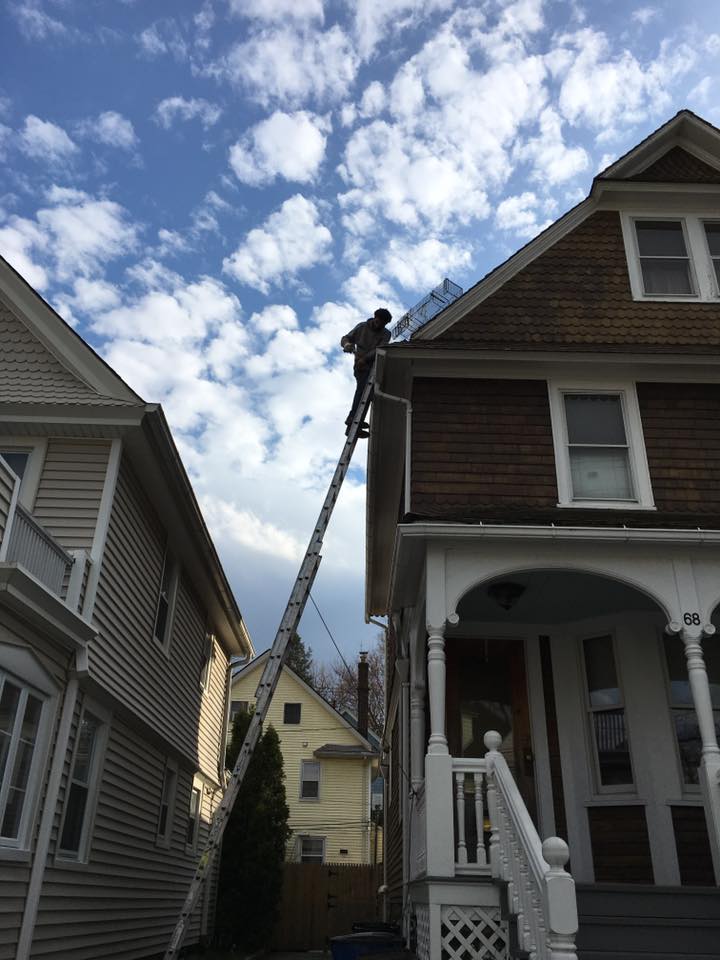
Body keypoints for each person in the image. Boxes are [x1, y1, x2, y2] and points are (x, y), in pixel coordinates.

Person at [340, 307, 393, 437]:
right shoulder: (362, 327)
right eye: (378, 321)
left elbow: (379, 348)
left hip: (373, 365)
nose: (379, 325)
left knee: (368, 394)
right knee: (362, 390)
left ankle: (355, 422)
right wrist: (347, 345)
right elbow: (346, 338)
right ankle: (352, 419)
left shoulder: (386, 334)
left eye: (382, 324)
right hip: (361, 367)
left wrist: (365, 359)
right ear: (375, 317)